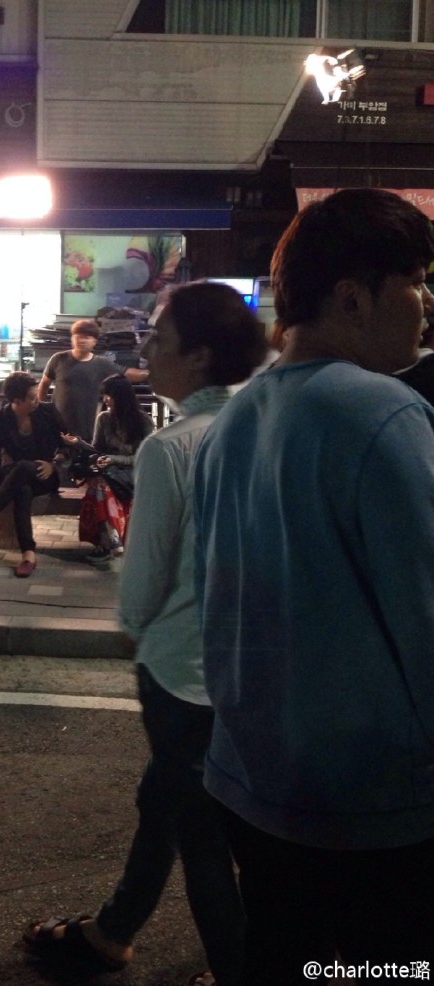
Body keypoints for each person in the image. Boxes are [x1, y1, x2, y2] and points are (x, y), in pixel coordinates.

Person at [192, 189, 434, 984]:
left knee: (281, 957)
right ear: (353, 299)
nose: (427, 302)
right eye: (416, 282)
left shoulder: (232, 420)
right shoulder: (381, 410)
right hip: (369, 805)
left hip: (252, 780)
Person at [22, 283, 267, 986]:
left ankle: (236, 968)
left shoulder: (172, 447)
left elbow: (146, 575)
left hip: (182, 673)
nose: (146, 350)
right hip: (252, 670)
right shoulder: (268, 426)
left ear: (199, 355)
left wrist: (131, 630)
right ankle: (112, 930)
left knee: (201, 837)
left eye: (160, 338)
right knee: (167, 801)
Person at [0, 371, 66, 578]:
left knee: (23, 468)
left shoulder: (47, 412)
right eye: (32, 398)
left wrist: (54, 464)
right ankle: (28, 554)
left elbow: (68, 444)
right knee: (22, 490)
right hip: (17, 477)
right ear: (16, 401)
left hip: (45, 475)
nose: (37, 400)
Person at [64, 373, 153, 564]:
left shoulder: (143, 422)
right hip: (107, 473)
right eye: (104, 394)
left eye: (109, 394)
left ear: (122, 396)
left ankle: (107, 543)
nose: (105, 399)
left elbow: (141, 457)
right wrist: (78, 443)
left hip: (131, 474)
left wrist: (112, 459)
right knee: (99, 483)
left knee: (98, 487)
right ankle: (112, 539)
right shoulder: (104, 418)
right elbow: (96, 449)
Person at [37, 318, 149, 441]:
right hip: (58, 428)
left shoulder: (101, 364)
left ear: (94, 341)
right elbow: (44, 385)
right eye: (78, 336)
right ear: (72, 338)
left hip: (87, 429)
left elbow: (127, 374)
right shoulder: (58, 359)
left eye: (86, 337)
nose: (81, 340)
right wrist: (41, 412)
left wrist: (152, 373)